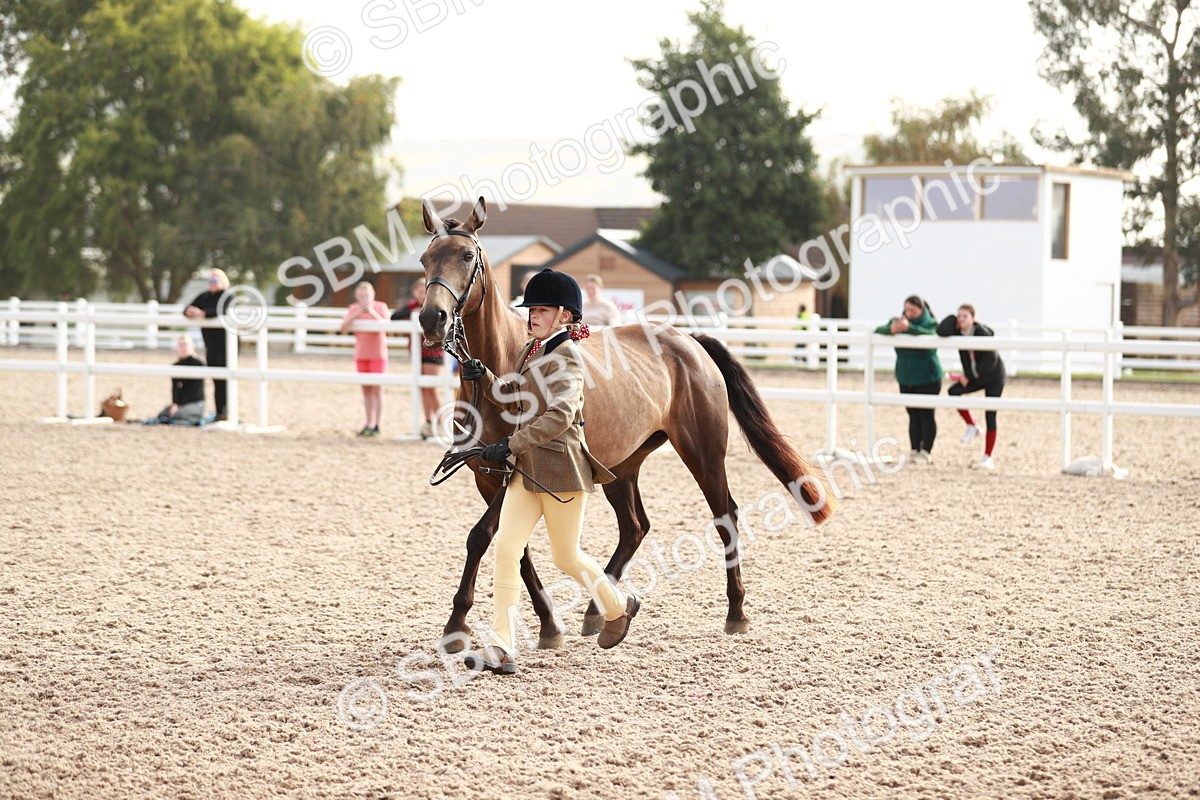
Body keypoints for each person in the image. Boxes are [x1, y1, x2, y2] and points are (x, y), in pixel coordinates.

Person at [459, 268, 636, 675]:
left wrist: (510, 444)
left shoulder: (568, 357)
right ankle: (501, 647)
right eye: (531, 309)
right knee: (506, 549)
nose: (532, 316)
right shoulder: (531, 351)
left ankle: (619, 605)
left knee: (566, 557)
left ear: (564, 316)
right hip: (526, 470)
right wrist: (485, 377)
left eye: (541, 310)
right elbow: (515, 398)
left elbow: (560, 415)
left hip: (561, 469)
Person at [875, 295, 942, 464]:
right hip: (906, 377)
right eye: (907, 310)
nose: (909, 313)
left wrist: (910, 328)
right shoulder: (898, 322)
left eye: (913, 310)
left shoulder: (930, 323)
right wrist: (891, 329)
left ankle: (926, 451)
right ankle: (914, 449)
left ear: (922, 309)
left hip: (928, 378)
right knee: (912, 414)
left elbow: (932, 334)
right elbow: (879, 330)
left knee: (926, 414)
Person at [937, 304, 1005, 470]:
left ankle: (988, 457)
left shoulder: (981, 332)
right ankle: (972, 425)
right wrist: (952, 318)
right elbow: (941, 330)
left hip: (993, 377)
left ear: (973, 318)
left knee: (990, 414)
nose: (961, 319)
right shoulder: (958, 332)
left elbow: (990, 361)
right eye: (959, 315)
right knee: (953, 392)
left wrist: (969, 377)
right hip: (974, 376)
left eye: (965, 316)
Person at [392, 277, 443, 439]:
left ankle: (442, 422)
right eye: (419, 292)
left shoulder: (434, 306)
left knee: (432, 388)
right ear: (414, 293)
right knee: (423, 388)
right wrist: (412, 313)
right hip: (417, 353)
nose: (422, 295)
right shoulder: (412, 306)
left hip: (434, 352)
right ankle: (428, 421)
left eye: (424, 292)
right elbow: (395, 316)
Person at [183, 269, 236, 420]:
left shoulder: (227, 296)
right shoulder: (204, 296)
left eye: (215, 280)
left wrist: (202, 313)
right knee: (216, 379)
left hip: (226, 345)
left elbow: (221, 311)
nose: (212, 283)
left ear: (223, 282)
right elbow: (186, 309)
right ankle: (220, 412)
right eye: (210, 281)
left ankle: (228, 411)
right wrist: (191, 312)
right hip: (211, 345)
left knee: (227, 379)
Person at [340, 281, 389, 437]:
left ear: (373, 295)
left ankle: (377, 424)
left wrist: (371, 311)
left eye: (366, 295)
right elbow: (343, 328)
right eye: (361, 295)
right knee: (366, 390)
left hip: (378, 355)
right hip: (361, 355)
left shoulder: (380, 307)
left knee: (377, 390)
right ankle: (368, 422)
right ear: (356, 296)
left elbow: (387, 326)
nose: (364, 298)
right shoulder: (353, 309)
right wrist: (357, 312)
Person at [155, 336, 207, 424]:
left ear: (192, 346)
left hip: (195, 402)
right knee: (162, 415)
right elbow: (175, 388)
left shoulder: (198, 364)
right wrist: (175, 403)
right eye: (180, 345)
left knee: (180, 415)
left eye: (185, 345)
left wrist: (180, 405)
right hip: (181, 403)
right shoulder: (176, 366)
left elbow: (195, 391)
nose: (183, 347)